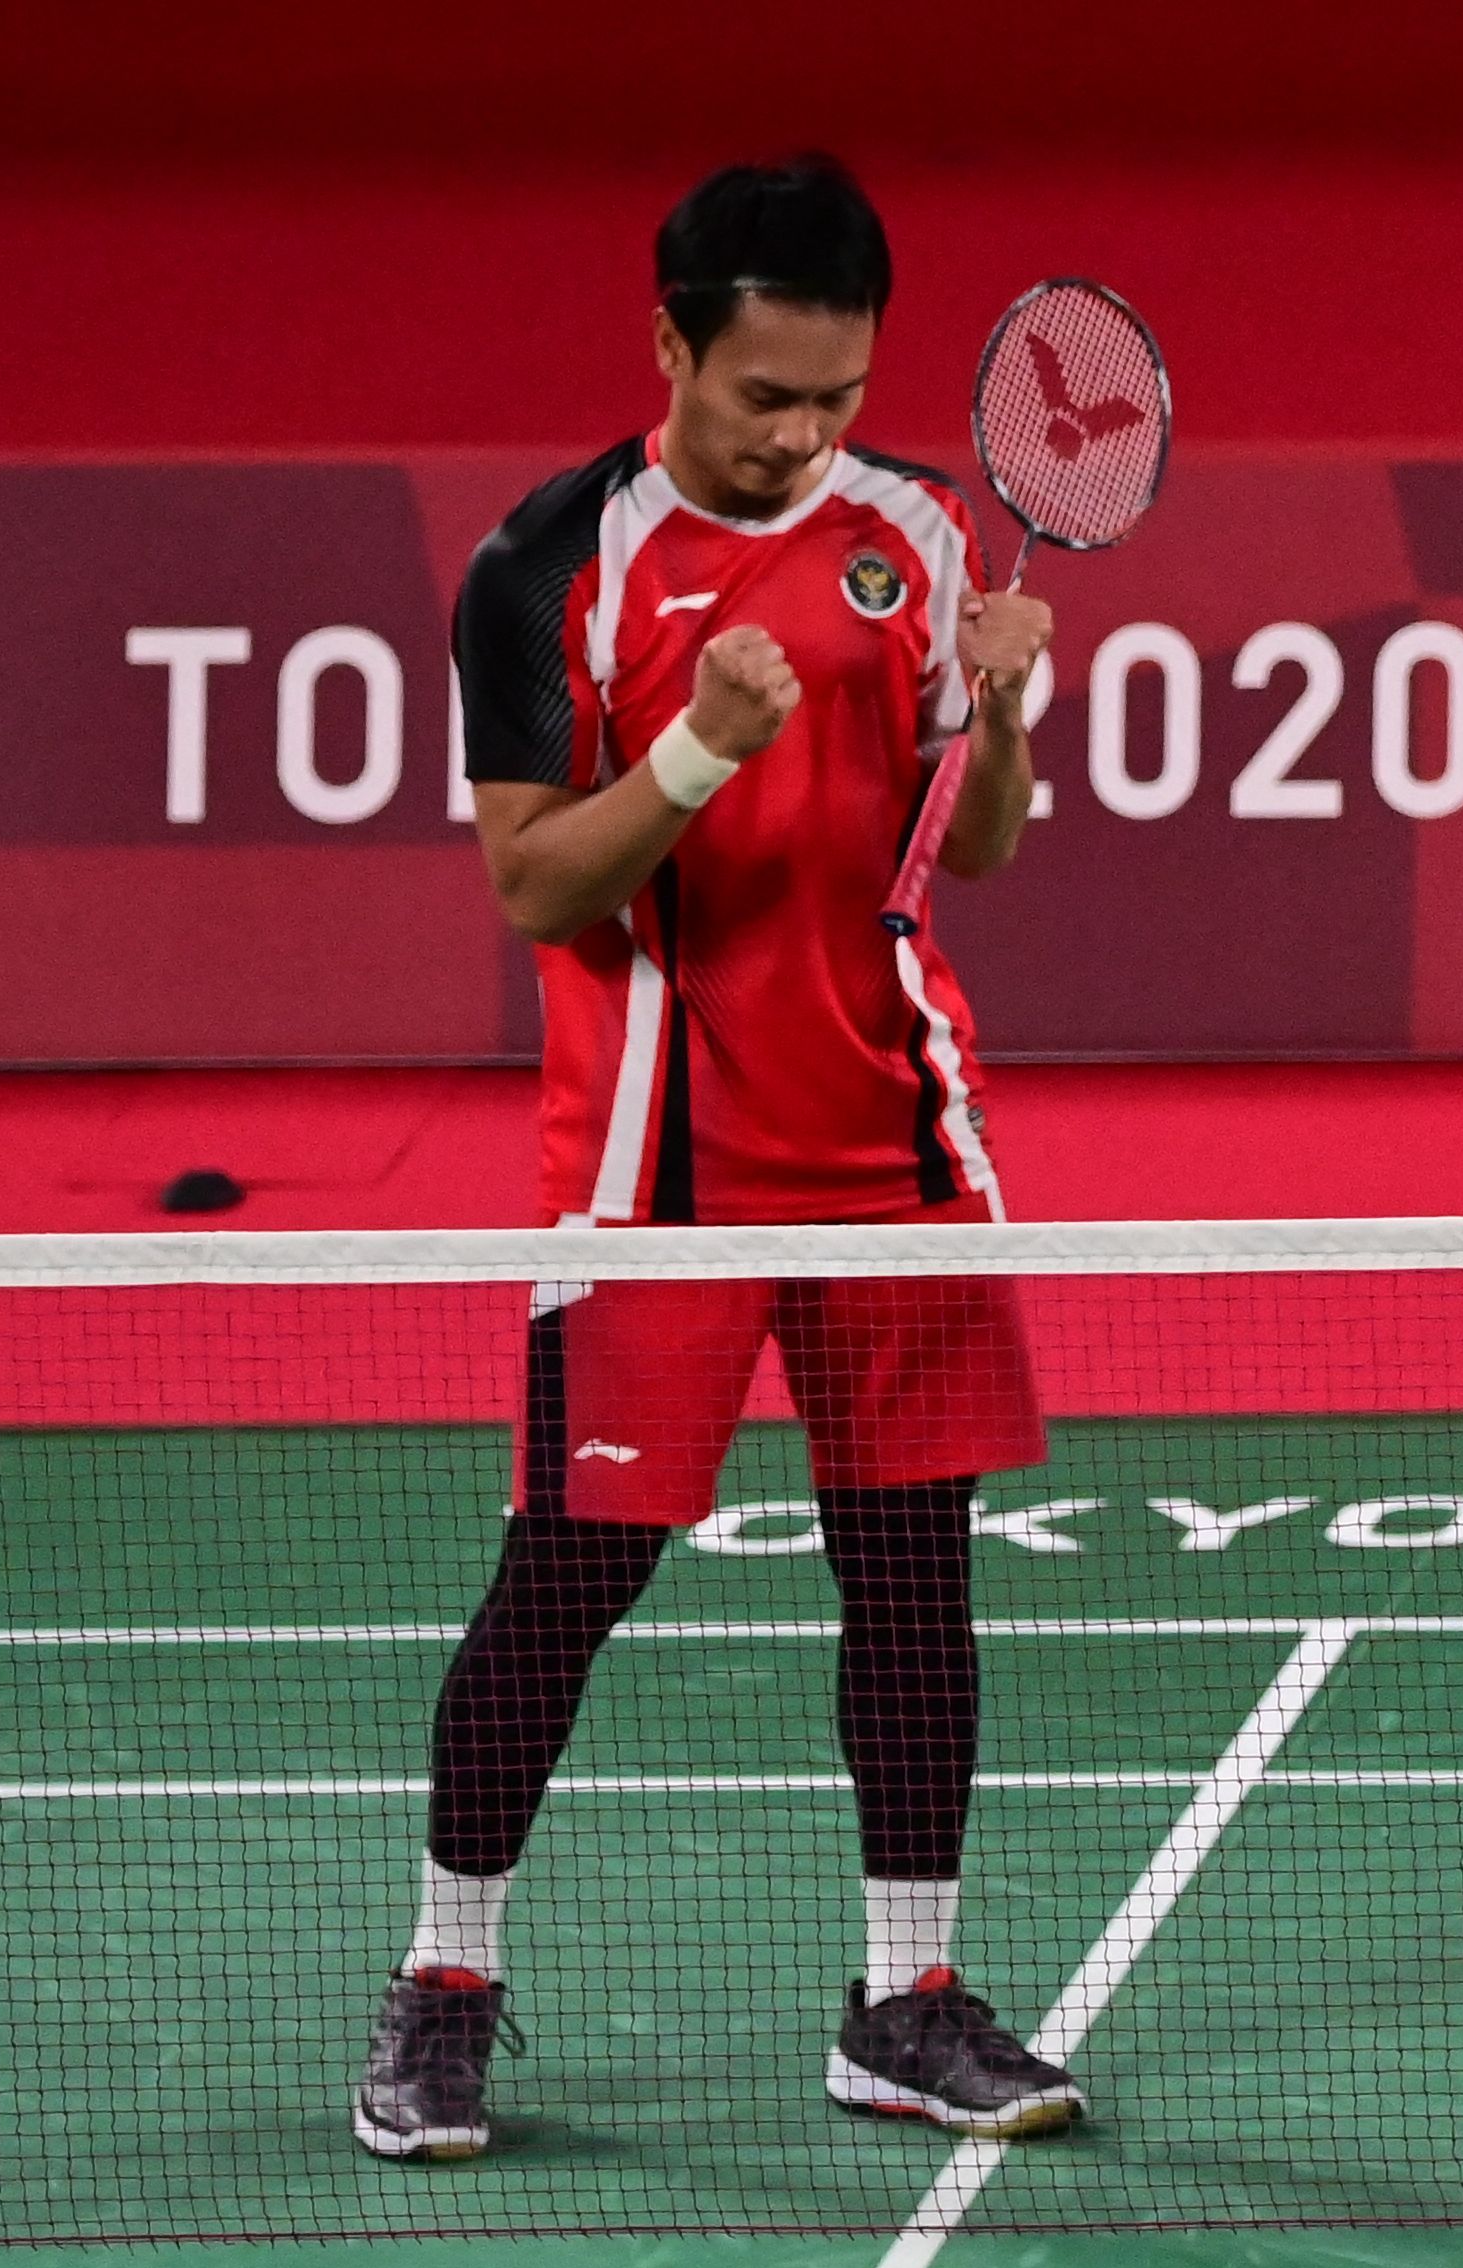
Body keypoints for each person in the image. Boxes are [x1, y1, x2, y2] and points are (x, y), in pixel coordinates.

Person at [353, 156, 1082, 2163]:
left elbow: (981, 849)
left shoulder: (918, 531)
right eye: (765, 392)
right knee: (564, 1586)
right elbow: (528, 882)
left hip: (897, 1148)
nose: (802, 435)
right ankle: (444, 1983)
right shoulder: (546, 568)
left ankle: (910, 1998)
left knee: (917, 1585)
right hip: (660, 1170)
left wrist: (1002, 718)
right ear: (669, 340)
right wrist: (695, 754)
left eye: (836, 396)